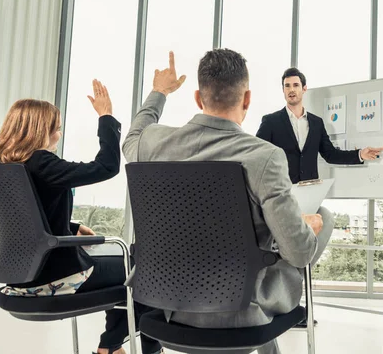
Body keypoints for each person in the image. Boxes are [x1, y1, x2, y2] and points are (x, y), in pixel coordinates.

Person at [122, 50, 334, 354]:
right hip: (243, 311)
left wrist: (160, 91)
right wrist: (306, 227)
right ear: (246, 99)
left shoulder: (154, 144)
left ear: (198, 98)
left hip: (171, 305)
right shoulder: (264, 156)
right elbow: (299, 255)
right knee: (320, 217)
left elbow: (132, 138)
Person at [0, 81, 162, 354]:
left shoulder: (5, 166)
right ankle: (117, 347)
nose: (59, 134)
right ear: (40, 131)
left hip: (21, 278)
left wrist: (72, 227)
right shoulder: (41, 162)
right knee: (149, 271)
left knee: (128, 268)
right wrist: (106, 116)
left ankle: (112, 346)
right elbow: (106, 167)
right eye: (56, 127)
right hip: (56, 277)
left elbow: (25, 220)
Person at [256, 67, 383, 184]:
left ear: (304, 88)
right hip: (280, 193)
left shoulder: (316, 123)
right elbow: (257, 156)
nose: (291, 90)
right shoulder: (271, 121)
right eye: (287, 86)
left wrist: (360, 154)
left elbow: (330, 154)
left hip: (310, 192)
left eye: (296, 85)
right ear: (283, 90)